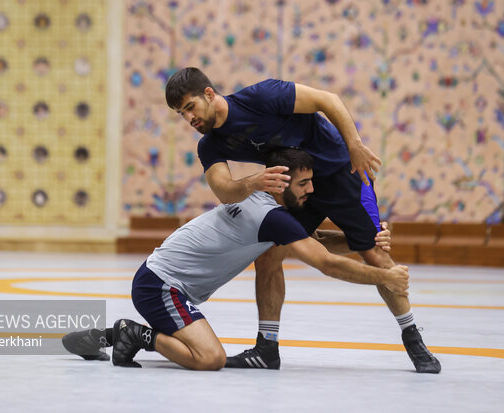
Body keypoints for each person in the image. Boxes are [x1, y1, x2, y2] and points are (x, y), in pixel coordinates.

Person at [163, 67, 440, 373]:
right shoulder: (211, 144)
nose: (189, 119)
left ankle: (412, 335)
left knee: (374, 251)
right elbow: (224, 191)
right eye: (181, 113)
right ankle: (267, 348)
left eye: (190, 107)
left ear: (210, 94)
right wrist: (254, 181)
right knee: (269, 254)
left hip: (341, 173)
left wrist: (355, 145)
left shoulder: (263, 96)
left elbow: (328, 100)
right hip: (296, 185)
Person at [63, 148, 407, 370]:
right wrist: (386, 276)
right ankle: (132, 332)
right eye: (303, 183)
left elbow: (314, 242)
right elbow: (325, 262)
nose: (311, 191)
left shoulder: (266, 208)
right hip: (161, 286)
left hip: (162, 282)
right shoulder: (270, 217)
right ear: (280, 182)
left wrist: (362, 240)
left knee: (206, 354)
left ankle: (109, 335)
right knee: (209, 359)